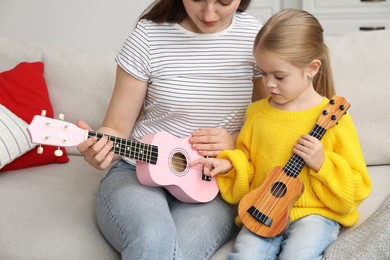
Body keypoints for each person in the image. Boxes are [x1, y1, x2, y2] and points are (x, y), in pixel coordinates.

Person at [76, 0, 268, 259]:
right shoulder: (147, 37)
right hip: (138, 169)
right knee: (153, 237)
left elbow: (271, 118)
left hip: (215, 181)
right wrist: (101, 147)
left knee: (179, 252)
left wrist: (235, 140)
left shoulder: (255, 36)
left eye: (224, 1)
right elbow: (117, 126)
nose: (209, 13)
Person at [191, 8, 372, 260]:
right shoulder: (257, 113)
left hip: (314, 214)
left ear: (312, 68)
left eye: (279, 76)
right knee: (245, 255)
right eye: (262, 73)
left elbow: (357, 188)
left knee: (299, 255)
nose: (269, 84)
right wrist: (227, 164)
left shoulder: (334, 119)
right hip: (264, 209)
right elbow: (249, 164)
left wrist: (322, 164)